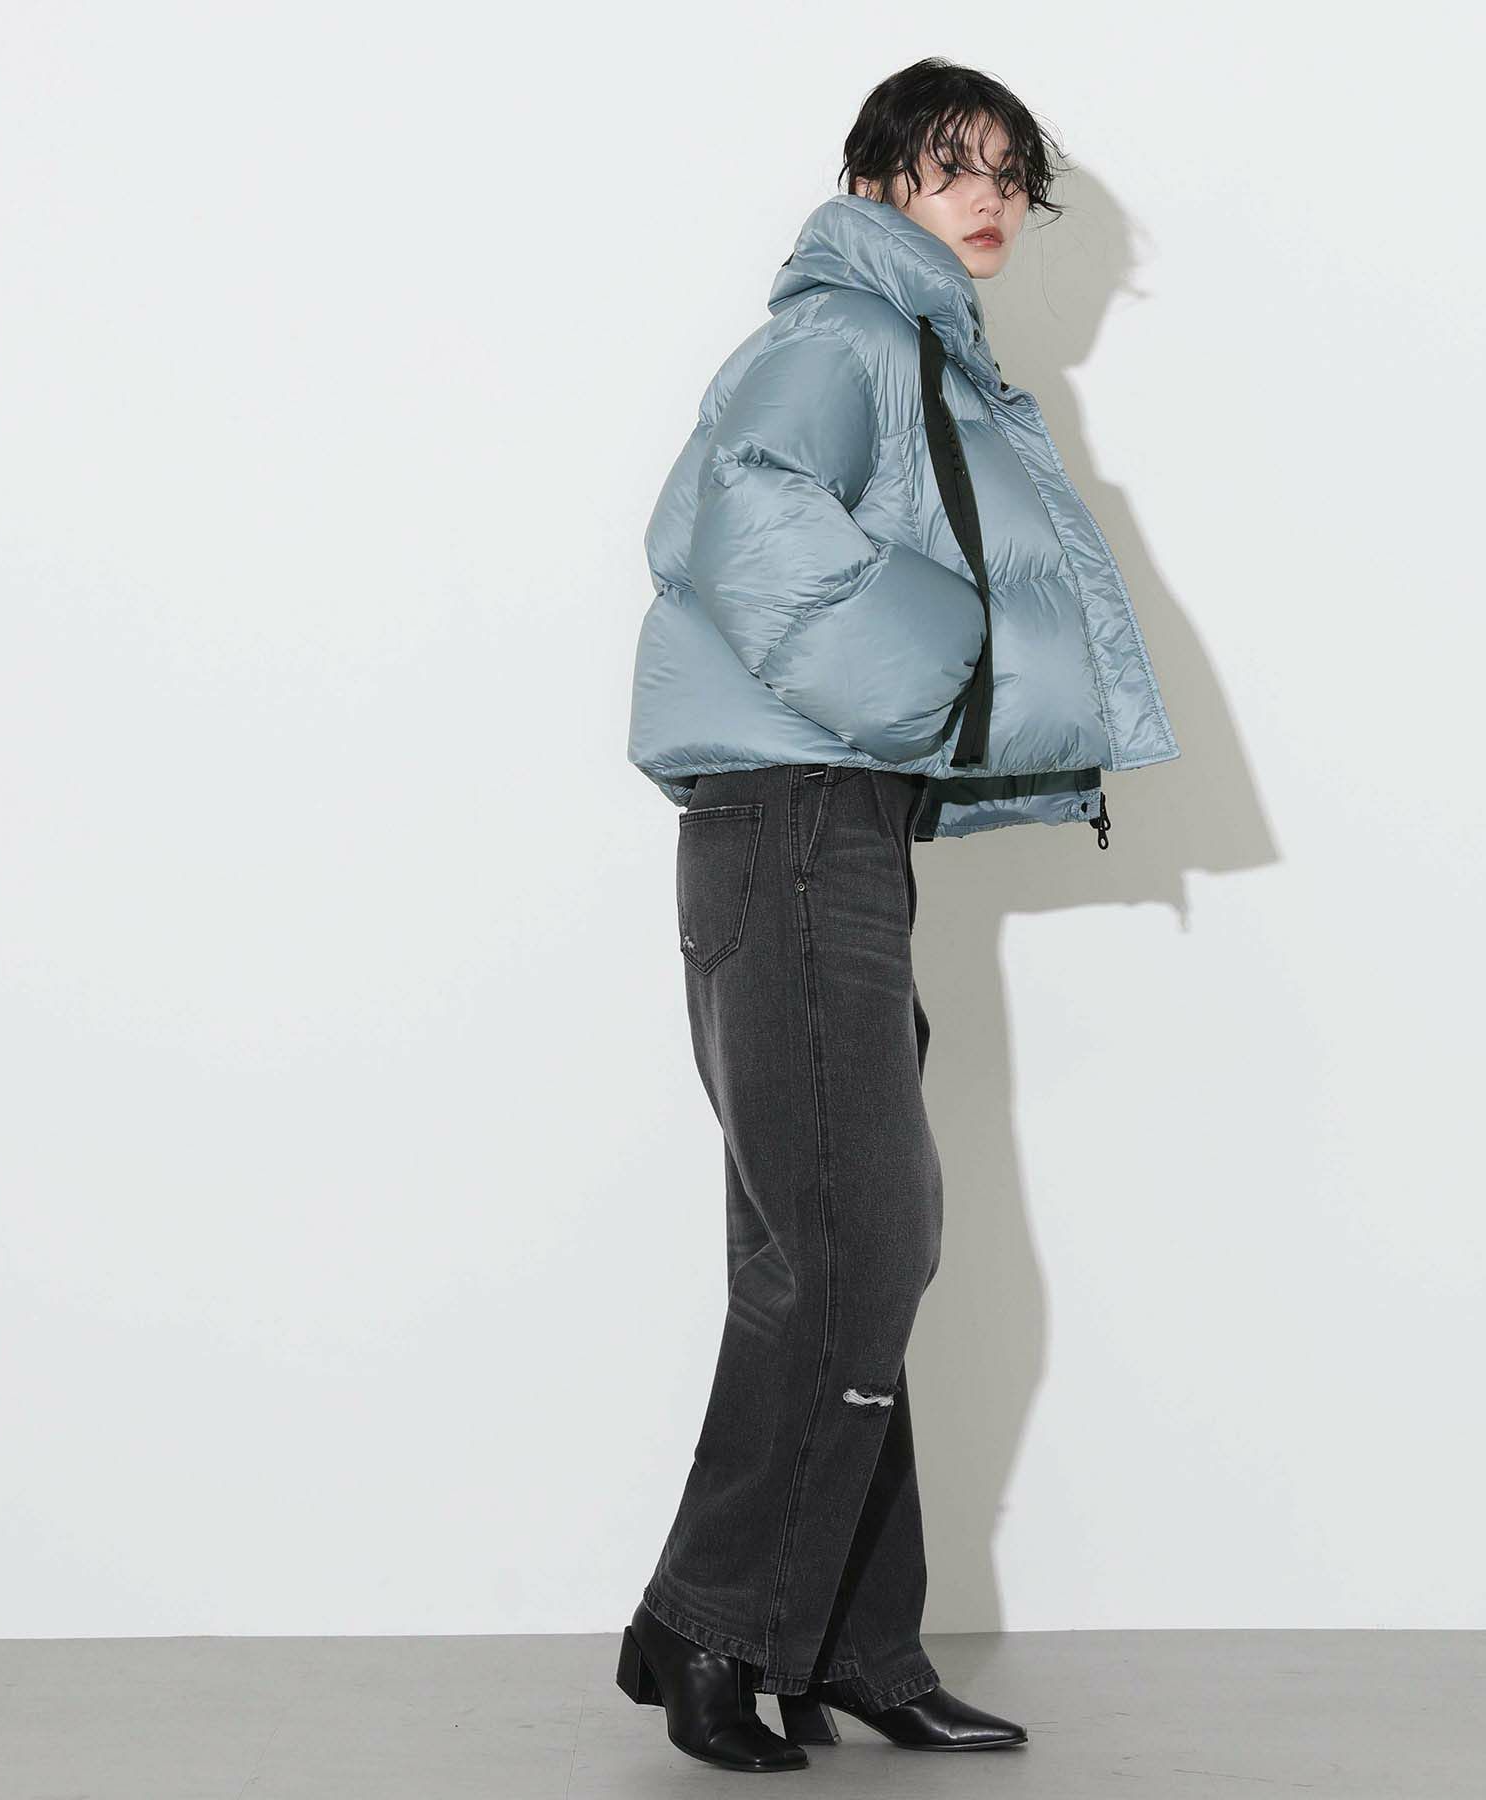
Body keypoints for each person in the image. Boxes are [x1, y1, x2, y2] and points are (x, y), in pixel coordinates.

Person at [620, 57, 1180, 1773]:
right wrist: (932, 662)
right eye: (949, 165)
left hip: (838, 834)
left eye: (1008, 171)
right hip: (791, 825)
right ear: (873, 187)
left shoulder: (930, 353)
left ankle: (856, 1643)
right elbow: (730, 516)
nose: (986, 195)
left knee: (826, 1251)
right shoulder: (843, 334)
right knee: (865, 1242)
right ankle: (707, 1627)